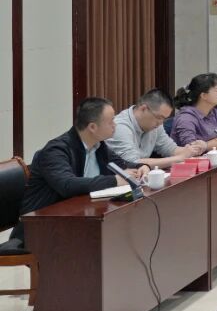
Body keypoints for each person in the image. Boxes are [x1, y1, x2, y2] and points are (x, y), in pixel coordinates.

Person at [8, 98, 148, 245]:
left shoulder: (99, 146)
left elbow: (122, 164)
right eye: (111, 121)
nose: (115, 125)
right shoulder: (56, 151)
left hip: (79, 221)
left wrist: (141, 167)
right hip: (40, 229)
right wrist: (114, 180)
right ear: (92, 127)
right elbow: (67, 185)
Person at [107, 89, 206, 169]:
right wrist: (179, 158)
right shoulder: (119, 127)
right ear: (143, 109)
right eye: (159, 117)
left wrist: (194, 148)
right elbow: (133, 163)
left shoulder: (156, 124)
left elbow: (170, 149)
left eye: (164, 119)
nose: (161, 123)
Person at [172, 73, 217, 150]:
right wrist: (215, 144)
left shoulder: (213, 112)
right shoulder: (186, 118)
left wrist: (210, 144)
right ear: (204, 96)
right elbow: (192, 148)